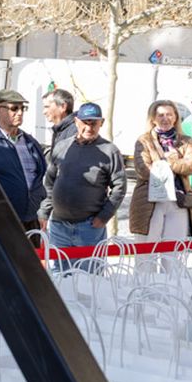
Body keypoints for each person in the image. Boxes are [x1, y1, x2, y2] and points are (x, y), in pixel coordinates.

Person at [38, 102, 125, 267]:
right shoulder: (63, 146)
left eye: (94, 123)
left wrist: (104, 216)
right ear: (77, 122)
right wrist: (44, 211)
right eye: (85, 122)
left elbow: (119, 187)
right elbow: (50, 182)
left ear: (102, 123)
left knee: (89, 281)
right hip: (59, 226)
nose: (89, 127)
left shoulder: (110, 151)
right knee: (60, 278)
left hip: (89, 228)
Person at [128, 100, 192, 240]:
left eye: (169, 114)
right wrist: (175, 165)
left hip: (179, 201)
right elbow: (143, 169)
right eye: (160, 115)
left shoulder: (186, 141)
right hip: (151, 201)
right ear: (153, 119)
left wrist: (170, 162)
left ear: (175, 118)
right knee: (147, 252)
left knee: (173, 254)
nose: (165, 118)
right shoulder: (144, 141)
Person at [0, 88, 47, 232]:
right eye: (14, 108)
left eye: (23, 108)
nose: (20, 112)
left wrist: (40, 210)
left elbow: (40, 178)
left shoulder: (31, 142)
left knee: (31, 255)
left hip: (30, 220)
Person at [42, 88, 76, 155]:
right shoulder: (59, 130)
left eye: (47, 107)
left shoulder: (75, 132)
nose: (44, 112)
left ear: (63, 107)